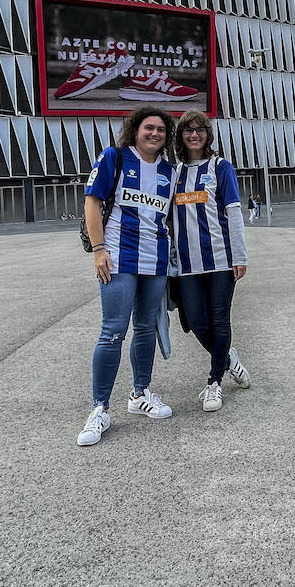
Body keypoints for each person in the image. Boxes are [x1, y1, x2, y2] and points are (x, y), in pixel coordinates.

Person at [77, 106, 178, 447]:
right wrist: (98, 249)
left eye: (161, 130)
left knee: (147, 327)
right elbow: (92, 203)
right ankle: (99, 408)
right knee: (112, 331)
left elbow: (172, 217)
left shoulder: (169, 170)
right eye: (149, 127)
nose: (155, 133)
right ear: (135, 130)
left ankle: (140, 393)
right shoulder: (114, 158)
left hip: (156, 260)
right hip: (118, 258)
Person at [171, 110, 253, 412]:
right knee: (194, 320)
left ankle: (214, 382)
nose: (194, 135)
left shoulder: (221, 167)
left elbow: (233, 211)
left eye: (200, 130)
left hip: (220, 260)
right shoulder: (174, 172)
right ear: (180, 136)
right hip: (186, 264)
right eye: (188, 130)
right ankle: (229, 358)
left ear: (208, 134)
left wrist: (239, 255)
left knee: (219, 320)